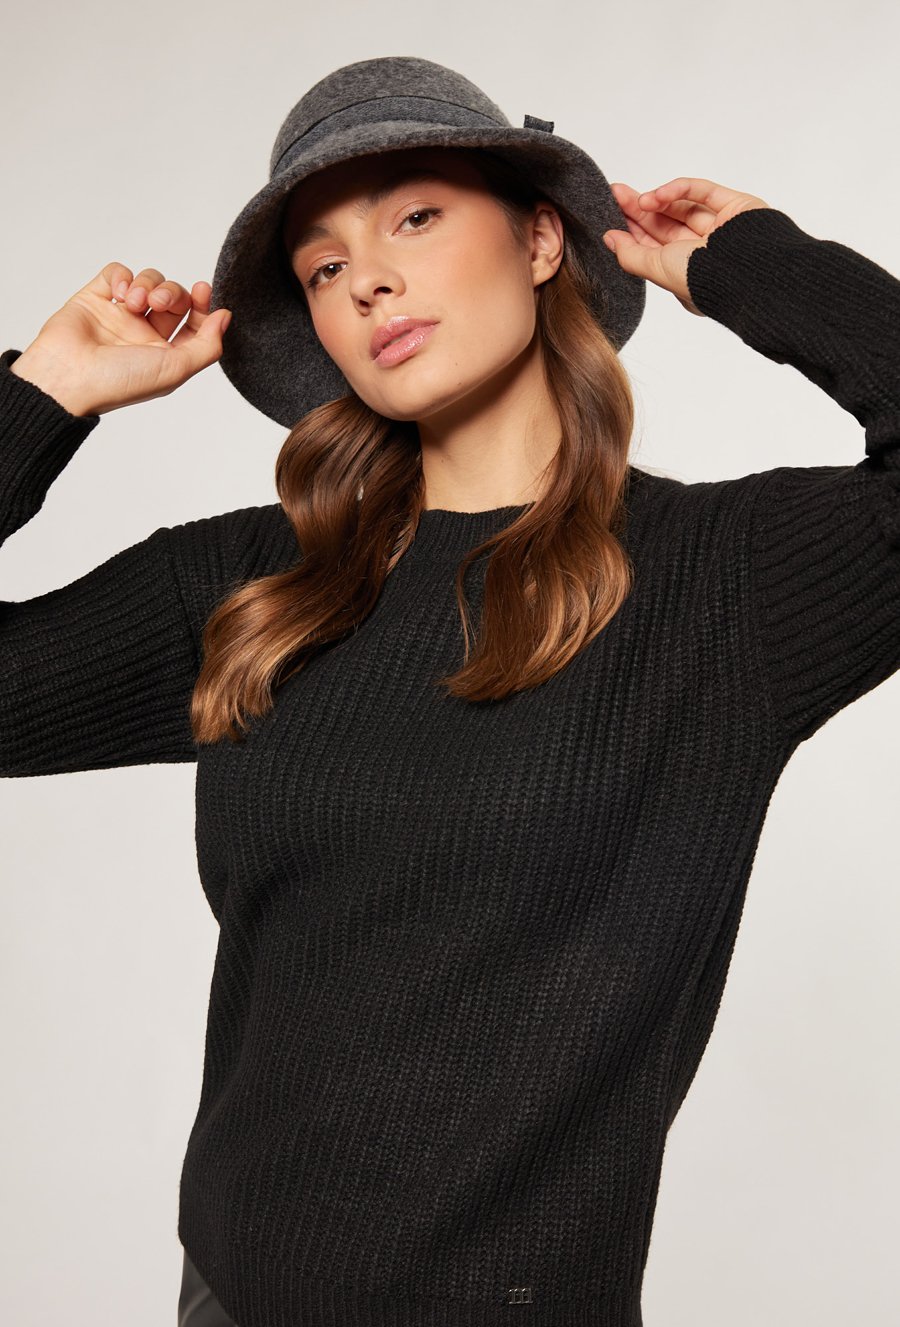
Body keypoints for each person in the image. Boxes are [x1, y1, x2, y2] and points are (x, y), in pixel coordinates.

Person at [2, 55, 898, 1327]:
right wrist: (40, 397)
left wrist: (761, 266)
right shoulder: (254, 591)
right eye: (322, 268)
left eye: (414, 216)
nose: (367, 277)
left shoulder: (722, 585)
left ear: (540, 238)